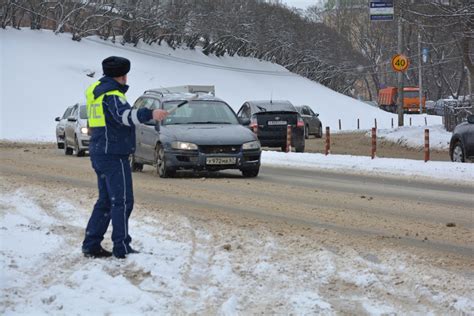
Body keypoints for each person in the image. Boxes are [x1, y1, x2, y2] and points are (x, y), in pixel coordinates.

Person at [82, 56, 168, 259]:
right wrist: (150, 114)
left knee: (105, 201)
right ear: (122, 76)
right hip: (113, 154)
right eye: (126, 75)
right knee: (122, 201)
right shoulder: (112, 95)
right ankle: (121, 246)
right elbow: (125, 116)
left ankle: (91, 243)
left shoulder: (96, 90)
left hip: (99, 150)